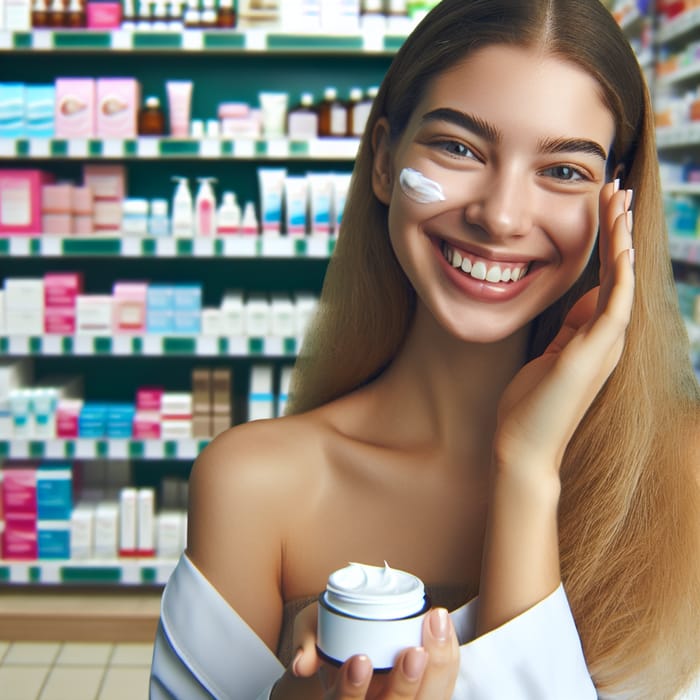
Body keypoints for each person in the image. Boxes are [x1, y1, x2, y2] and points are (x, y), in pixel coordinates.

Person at [149, 1, 700, 698]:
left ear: (615, 203)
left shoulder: (683, 476)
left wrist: (527, 469)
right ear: (384, 161)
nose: (501, 216)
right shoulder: (255, 486)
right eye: (460, 148)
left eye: (563, 171)